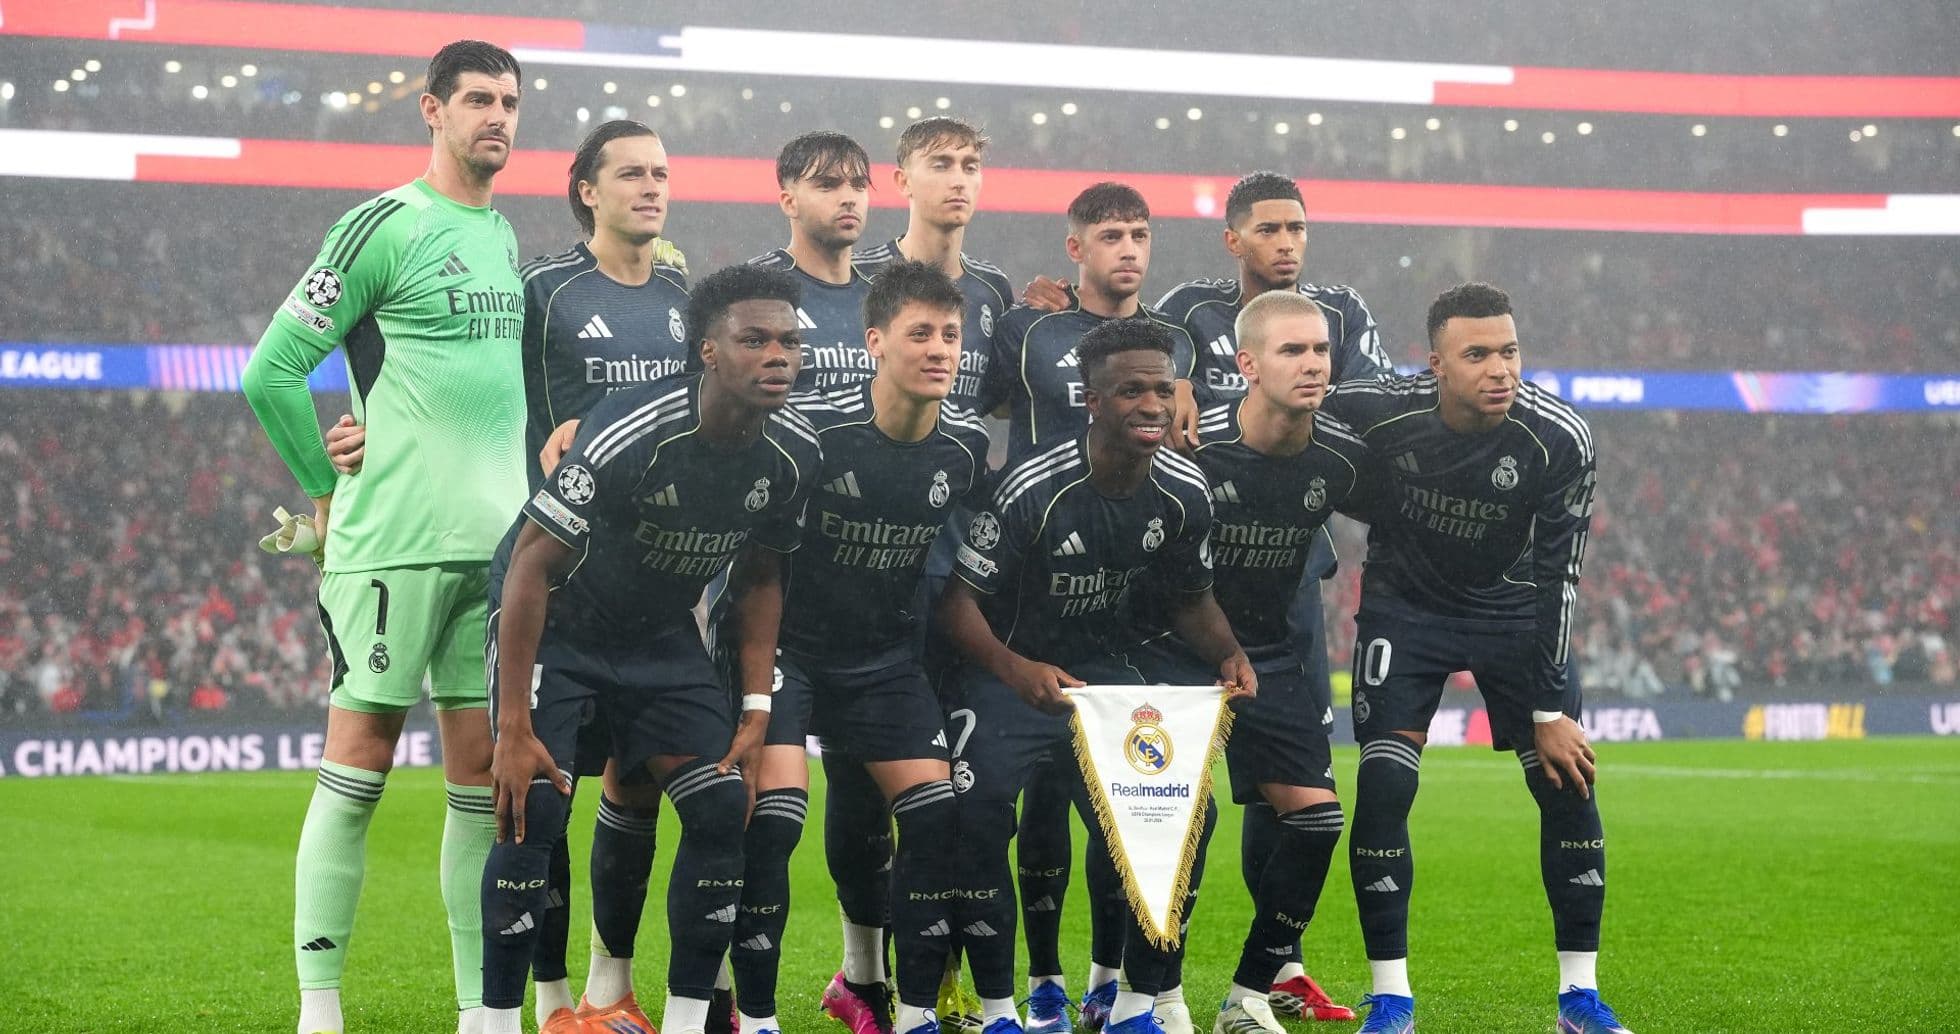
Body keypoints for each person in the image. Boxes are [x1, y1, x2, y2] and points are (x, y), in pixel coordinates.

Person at [324, 118, 696, 1034]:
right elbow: (471, 384)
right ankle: (551, 999)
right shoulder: (541, 290)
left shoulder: (682, 294)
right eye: (632, 173)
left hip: (654, 583)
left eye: (661, 172)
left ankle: (611, 988)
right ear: (587, 192)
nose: (652, 187)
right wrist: (369, 421)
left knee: (639, 783)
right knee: (542, 790)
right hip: (554, 580)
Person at [240, 39, 527, 1034]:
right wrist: (324, 489)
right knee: (357, 765)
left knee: (481, 785)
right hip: (393, 545)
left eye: (510, 102)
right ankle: (320, 1009)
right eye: (478, 99)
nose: (497, 116)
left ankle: (481, 1011)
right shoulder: (381, 225)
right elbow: (272, 370)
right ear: (431, 110)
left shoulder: (503, 236)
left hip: (498, 554)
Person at [478, 264, 821, 1034]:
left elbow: (763, 574)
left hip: (659, 634)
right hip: (561, 621)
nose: (778, 355)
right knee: (532, 807)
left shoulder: (796, 450)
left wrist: (756, 704)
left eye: (790, 341)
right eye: (755, 340)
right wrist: (512, 725)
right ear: (708, 351)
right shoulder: (633, 429)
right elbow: (530, 565)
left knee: (721, 807)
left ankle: (686, 1022)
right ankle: (496, 1023)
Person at [1319, 283, 1626, 1034]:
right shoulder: (1377, 408)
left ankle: (1579, 998)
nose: (1500, 370)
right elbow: (1285, 406)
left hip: (1513, 612)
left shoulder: (1558, 438)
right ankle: (1392, 998)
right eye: (1478, 354)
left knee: (1568, 784)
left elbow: (1561, 576)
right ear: (1436, 365)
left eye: (1510, 352)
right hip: (1406, 611)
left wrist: (1548, 710)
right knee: (1385, 785)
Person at [939, 317, 1255, 1034]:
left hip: (1107, 682)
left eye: (1162, 390)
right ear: (1092, 401)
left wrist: (1229, 653)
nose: (1152, 405)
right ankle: (1000, 1010)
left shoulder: (1184, 489)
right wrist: (1017, 670)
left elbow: (1192, 599)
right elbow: (958, 605)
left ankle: (1137, 1005)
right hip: (1010, 672)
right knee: (978, 815)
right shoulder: (1034, 487)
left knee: (1185, 813)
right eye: (1131, 391)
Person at [1151, 171, 1392, 1024]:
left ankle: (1263, 982)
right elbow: (1127, 352)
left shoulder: (1342, 335)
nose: (1288, 242)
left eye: (1298, 227)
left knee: (1305, 812)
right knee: (1175, 817)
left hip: (1281, 619)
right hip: (1175, 635)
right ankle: (1148, 990)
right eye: (1269, 228)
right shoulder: (1187, 326)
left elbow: (1380, 420)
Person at [731, 260, 991, 1034]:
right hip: (789, 650)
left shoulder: (965, 445)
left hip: (882, 661)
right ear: (875, 341)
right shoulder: (811, 431)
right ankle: (755, 1015)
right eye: (921, 333)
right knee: (776, 820)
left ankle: (912, 1013)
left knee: (937, 817)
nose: (939, 349)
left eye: (951, 335)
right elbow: (753, 551)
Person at [981, 181, 1200, 1034]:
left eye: (1140, 234)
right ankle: (1043, 978)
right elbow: (979, 405)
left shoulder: (1173, 339)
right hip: (1031, 586)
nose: (1129, 249)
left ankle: (1113, 979)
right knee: (1039, 802)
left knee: (1124, 802)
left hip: (1125, 593)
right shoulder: (1029, 328)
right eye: (1111, 235)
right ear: (1076, 248)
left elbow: (1180, 433)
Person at [845, 114, 1015, 1034]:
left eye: (970, 165)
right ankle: (862, 971)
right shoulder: (860, 278)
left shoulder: (995, 294)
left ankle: (938, 982)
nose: (958, 179)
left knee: (952, 793)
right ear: (901, 179)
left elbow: (1011, 408)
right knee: (853, 794)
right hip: (856, 568)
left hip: (950, 575)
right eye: (939, 164)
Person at [751, 131, 877, 392]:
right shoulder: (753, 289)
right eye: (828, 185)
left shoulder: (886, 297)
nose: (849, 198)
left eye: (858, 185)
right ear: (789, 202)